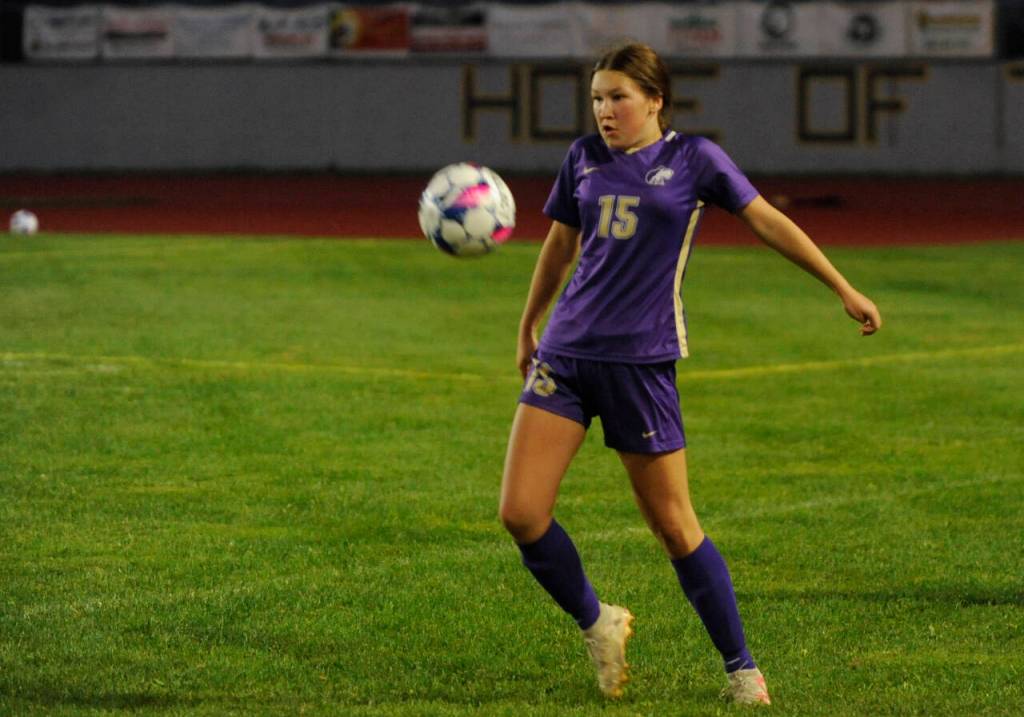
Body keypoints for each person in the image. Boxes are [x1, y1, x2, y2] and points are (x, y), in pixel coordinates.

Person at [498, 42, 882, 707]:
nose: (605, 111)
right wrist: (530, 324)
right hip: (566, 356)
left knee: (675, 525)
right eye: (596, 98)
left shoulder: (693, 160)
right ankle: (599, 622)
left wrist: (842, 288)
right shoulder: (582, 159)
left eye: (618, 97)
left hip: (642, 363)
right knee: (522, 512)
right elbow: (561, 245)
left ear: (655, 99)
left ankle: (742, 668)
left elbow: (767, 220)